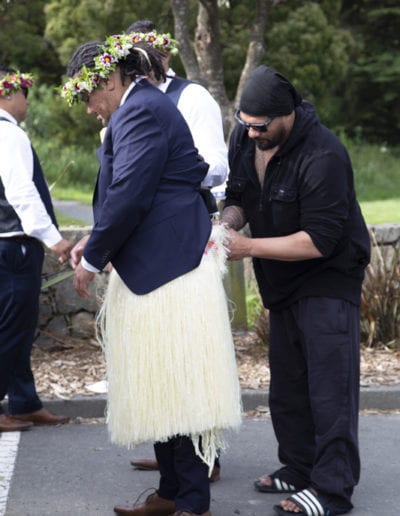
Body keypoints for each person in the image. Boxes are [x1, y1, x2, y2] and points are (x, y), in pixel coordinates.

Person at [63, 34, 241, 516]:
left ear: (108, 79)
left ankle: (192, 500)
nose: (87, 109)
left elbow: (132, 196)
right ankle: (171, 492)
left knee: (177, 388)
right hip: (159, 266)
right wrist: (93, 240)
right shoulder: (139, 105)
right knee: (158, 384)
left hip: (171, 271)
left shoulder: (139, 109)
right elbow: (128, 194)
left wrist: (93, 258)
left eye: (87, 96)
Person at [221, 65, 370, 516]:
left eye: (260, 127)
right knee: (288, 387)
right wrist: (227, 223)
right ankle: (300, 467)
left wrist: (246, 247)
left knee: (330, 390)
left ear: (285, 116)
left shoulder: (324, 154)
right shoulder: (245, 139)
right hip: (282, 280)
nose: (250, 135)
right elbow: (239, 194)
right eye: (245, 125)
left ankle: (332, 491)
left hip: (328, 278)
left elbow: (319, 240)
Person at [125, 19, 227, 481]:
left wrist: (166, 179)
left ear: (165, 54)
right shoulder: (128, 102)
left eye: (153, 50)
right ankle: (172, 449)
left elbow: (216, 163)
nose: (147, 58)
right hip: (145, 242)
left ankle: (206, 457)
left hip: (188, 233)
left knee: (194, 349)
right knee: (162, 355)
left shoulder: (193, 97)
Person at [0, 66, 72, 432]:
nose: (26, 100)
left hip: (6, 246)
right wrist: (54, 239)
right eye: (23, 92)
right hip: (13, 247)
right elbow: (21, 194)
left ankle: (24, 401)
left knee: (18, 327)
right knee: (12, 330)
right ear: (6, 94)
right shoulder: (8, 135)